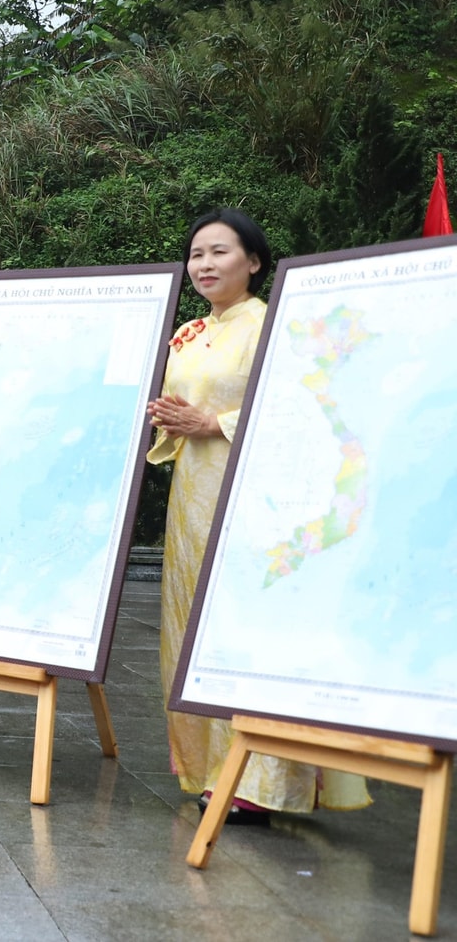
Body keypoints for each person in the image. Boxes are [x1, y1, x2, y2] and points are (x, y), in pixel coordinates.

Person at [147, 208, 369, 823]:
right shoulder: (192, 331)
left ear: (254, 261)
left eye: (219, 252)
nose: (204, 264)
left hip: (258, 494)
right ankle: (208, 768)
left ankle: (259, 781)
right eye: (196, 254)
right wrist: (169, 419)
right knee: (190, 623)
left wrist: (213, 422)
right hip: (193, 495)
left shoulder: (274, 326)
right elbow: (182, 413)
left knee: (246, 625)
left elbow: (303, 403)